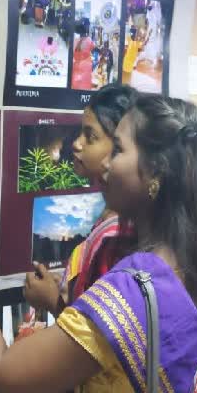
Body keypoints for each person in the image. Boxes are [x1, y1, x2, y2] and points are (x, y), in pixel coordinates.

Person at [0, 94, 197, 392]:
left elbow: (0, 375)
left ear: (156, 172)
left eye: (117, 149)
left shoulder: (138, 286)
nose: (106, 164)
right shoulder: (186, 267)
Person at [23, 84, 138, 317]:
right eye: (80, 133)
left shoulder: (118, 235)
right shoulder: (110, 214)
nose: (76, 143)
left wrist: (54, 303)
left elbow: (98, 337)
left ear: (119, 144)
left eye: (91, 136)